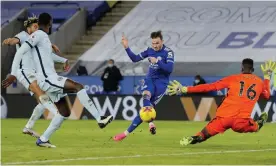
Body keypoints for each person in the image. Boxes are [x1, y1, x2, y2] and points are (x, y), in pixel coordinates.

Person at [8, 13, 113, 148]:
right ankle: (100, 118)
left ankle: (43, 139)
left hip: (47, 79)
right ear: (49, 23)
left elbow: (48, 56)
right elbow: (20, 51)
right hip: (47, 79)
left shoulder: (42, 38)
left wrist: (63, 60)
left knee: (64, 112)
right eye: (51, 23)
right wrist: (13, 74)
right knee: (78, 87)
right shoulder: (39, 35)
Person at [167, 59, 275, 146]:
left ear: (241, 68)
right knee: (255, 127)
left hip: (224, 118)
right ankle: (258, 123)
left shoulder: (232, 78)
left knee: (204, 134)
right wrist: (266, 77)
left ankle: (195, 137)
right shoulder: (259, 82)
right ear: (253, 69)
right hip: (241, 121)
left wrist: (185, 89)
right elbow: (266, 96)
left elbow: (210, 87)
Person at [2, 16, 69, 138]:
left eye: (38, 26)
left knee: (43, 100)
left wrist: (63, 60)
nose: (37, 28)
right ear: (29, 27)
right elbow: (15, 40)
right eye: (35, 26)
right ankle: (57, 115)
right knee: (42, 94)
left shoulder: (37, 39)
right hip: (24, 72)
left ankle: (28, 127)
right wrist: (10, 41)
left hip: (34, 73)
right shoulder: (22, 35)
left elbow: (49, 56)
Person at [113, 30, 174, 141]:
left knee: (147, 109)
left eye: (157, 43)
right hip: (150, 79)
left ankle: (138, 128)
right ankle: (145, 126)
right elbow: (135, 59)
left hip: (161, 83)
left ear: (162, 41)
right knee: (146, 97)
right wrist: (126, 47)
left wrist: (157, 62)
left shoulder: (168, 52)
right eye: (153, 43)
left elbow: (169, 69)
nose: (155, 46)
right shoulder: (150, 51)